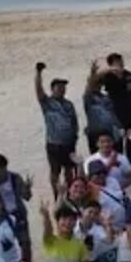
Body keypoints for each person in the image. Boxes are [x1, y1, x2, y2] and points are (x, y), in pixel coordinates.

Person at [35, 62, 79, 196]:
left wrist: (75, 136)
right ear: (52, 88)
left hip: (69, 143)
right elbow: (38, 89)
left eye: (63, 87)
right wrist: (38, 73)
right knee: (55, 171)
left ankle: (71, 193)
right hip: (54, 143)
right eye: (59, 87)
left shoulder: (69, 104)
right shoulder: (47, 103)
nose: (62, 89)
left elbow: (74, 121)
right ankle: (57, 194)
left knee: (69, 169)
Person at [99, 53, 131, 161]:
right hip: (117, 113)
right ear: (111, 64)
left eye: (121, 61)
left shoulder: (130, 75)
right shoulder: (108, 78)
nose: (120, 63)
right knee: (117, 138)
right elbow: (101, 87)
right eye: (117, 62)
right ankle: (118, 159)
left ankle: (130, 158)